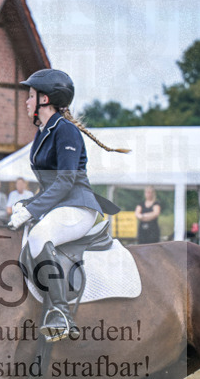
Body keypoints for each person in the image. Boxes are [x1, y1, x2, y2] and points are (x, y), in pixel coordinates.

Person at [8, 68, 128, 342]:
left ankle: (60, 313)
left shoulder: (66, 131)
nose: (26, 102)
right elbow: (49, 186)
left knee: (39, 235)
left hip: (79, 207)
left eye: (30, 96)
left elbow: (65, 182)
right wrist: (26, 203)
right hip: (60, 206)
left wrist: (33, 209)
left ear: (45, 99)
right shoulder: (43, 132)